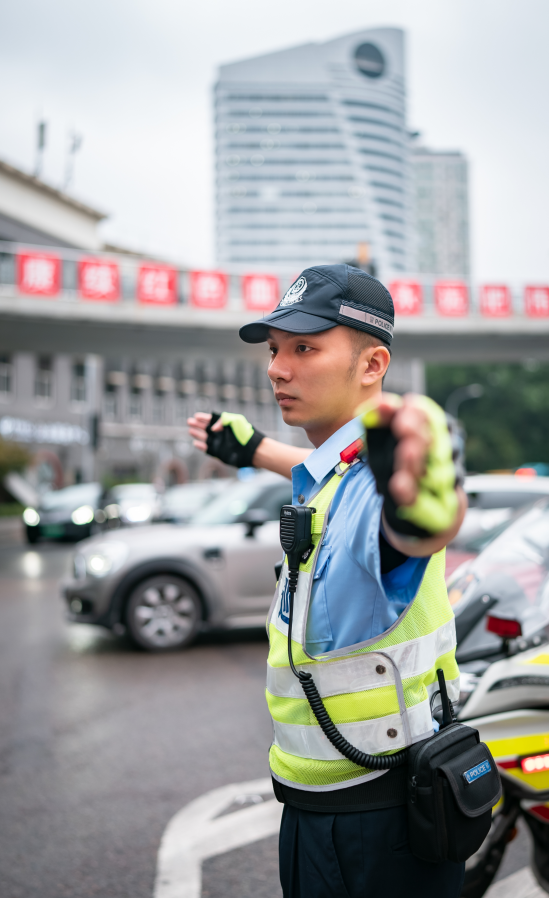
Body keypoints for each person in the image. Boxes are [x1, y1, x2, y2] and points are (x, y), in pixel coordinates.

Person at [188, 264, 467, 898]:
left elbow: (411, 525)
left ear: (372, 366)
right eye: (275, 350)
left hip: (377, 824)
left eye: (305, 348)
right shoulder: (336, 470)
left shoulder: (377, 484)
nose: (277, 369)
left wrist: (427, 505)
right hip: (322, 806)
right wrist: (252, 448)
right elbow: (323, 468)